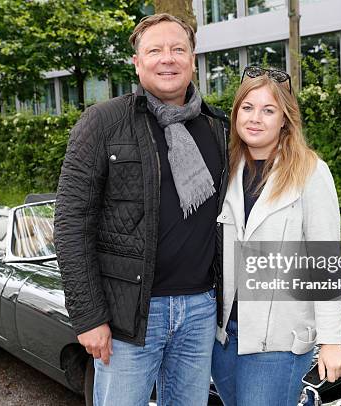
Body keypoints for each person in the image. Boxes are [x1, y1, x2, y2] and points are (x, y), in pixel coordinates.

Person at [54, 13, 229, 406]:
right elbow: (70, 225)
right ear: (137, 62)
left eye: (177, 49)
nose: (167, 59)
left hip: (200, 311)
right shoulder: (103, 122)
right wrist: (89, 317)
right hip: (127, 318)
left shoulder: (217, 126)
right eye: (155, 50)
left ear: (193, 58)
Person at [211, 66, 341, 406]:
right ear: (235, 113)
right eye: (247, 107)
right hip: (224, 338)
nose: (255, 118)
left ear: (285, 119)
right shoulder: (225, 167)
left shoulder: (310, 172)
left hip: (278, 343)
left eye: (268, 110)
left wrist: (331, 340)